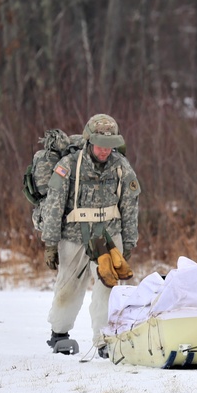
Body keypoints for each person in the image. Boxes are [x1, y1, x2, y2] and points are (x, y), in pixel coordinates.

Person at [41, 114, 140, 357]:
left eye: (109, 146)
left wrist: (129, 242)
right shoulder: (69, 165)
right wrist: (50, 244)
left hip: (108, 235)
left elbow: (130, 205)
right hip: (73, 236)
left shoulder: (121, 166)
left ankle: (105, 339)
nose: (105, 151)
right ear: (89, 141)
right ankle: (60, 334)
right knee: (69, 286)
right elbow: (54, 205)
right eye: (100, 145)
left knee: (109, 287)